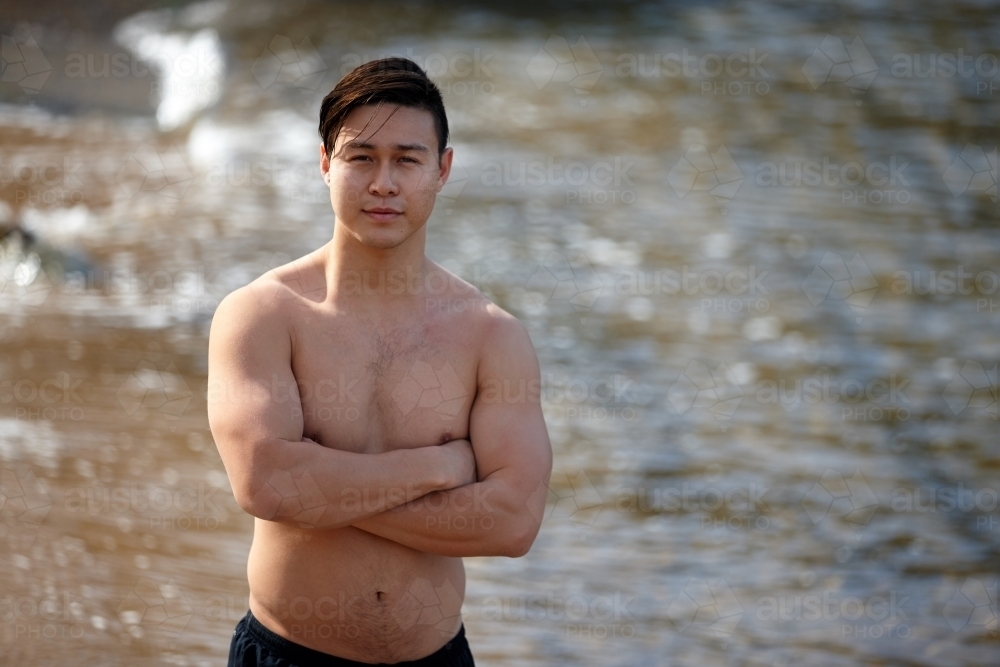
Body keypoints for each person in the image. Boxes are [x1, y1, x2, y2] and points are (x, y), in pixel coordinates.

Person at [207, 57, 553, 666]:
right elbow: (266, 482)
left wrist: (320, 491)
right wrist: (439, 465)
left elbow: (513, 523)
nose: (384, 183)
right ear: (324, 163)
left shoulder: (490, 336)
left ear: (442, 169)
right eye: (361, 157)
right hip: (288, 655)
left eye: (408, 159)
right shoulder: (264, 315)